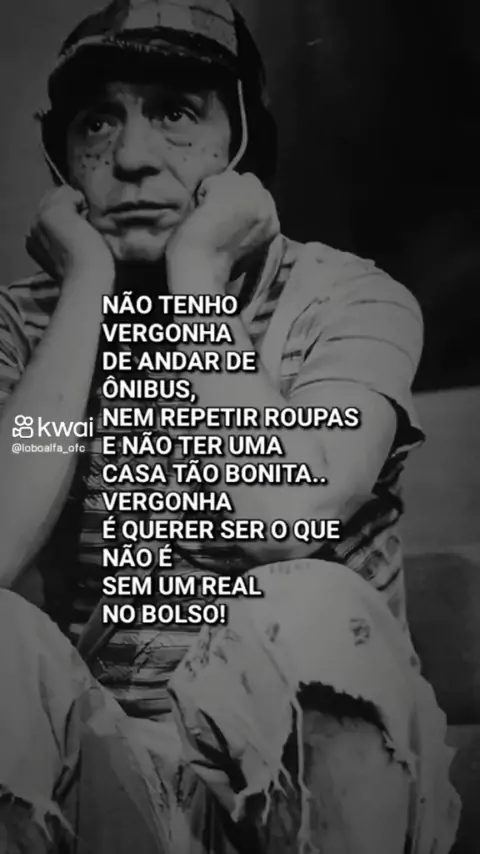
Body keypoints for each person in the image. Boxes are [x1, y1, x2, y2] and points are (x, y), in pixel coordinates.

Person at [0, 1, 460, 852]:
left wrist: (199, 277)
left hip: (303, 777)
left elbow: (278, 518)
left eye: (176, 113)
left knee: (306, 601)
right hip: (108, 780)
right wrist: (86, 290)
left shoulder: (346, 300)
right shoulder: (24, 324)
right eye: (97, 122)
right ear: (62, 160)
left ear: (242, 140)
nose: (131, 157)